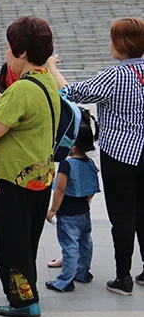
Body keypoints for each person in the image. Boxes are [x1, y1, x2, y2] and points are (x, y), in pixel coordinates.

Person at [49, 17, 144, 295]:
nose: (109, 44)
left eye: (113, 39)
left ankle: (123, 277)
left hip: (120, 156)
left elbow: (70, 93)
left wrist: (53, 67)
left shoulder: (115, 76)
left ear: (123, 43)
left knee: (123, 217)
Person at [0, 16, 60, 317]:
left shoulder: (21, 87)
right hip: (41, 178)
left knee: (12, 243)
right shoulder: (45, 78)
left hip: (14, 180)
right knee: (27, 239)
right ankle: (29, 292)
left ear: (21, 52)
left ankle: (24, 302)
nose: (7, 54)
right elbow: (17, 111)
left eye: (8, 48)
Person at [45, 113, 100, 293]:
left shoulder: (67, 165)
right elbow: (93, 187)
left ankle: (65, 280)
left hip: (67, 213)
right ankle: (83, 272)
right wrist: (86, 200)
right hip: (84, 212)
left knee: (69, 246)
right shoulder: (90, 163)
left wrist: (53, 210)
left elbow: (60, 189)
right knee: (85, 243)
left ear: (74, 146)